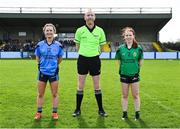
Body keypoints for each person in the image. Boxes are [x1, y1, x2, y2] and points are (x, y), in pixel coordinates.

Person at [72, 9, 108, 117]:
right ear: (85, 17)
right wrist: (84, 53)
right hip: (82, 59)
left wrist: (94, 54)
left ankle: (101, 110)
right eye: (88, 15)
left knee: (97, 86)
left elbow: (102, 47)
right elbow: (77, 46)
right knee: (80, 85)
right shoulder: (80, 30)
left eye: (92, 15)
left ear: (95, 17)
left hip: (95, 60)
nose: (90, 17)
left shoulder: (100, 31)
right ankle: (77, 109)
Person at [34, 23, 64, 120]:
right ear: (44, 32)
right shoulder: (39, 45)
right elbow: (37, 57)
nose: (49, 32)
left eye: (51, 30)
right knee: (40, 94)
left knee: (54, 94)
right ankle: (39, 112)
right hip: (42, 72)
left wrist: (54, 66)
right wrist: (41, 65)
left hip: (53, 73)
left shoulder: (58, 45)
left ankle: (54, 113)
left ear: (54, 32)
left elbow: (60, 58)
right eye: (47, 30)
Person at [115, 27, 143, 120]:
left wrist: (134, 68)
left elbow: (141, 62)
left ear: (133, 36)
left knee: (135, 95)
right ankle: (124, 113)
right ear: (124, 37)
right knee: (124, 95)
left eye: (130, 35)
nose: (128, 37)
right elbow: (118, 61)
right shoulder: (120, 48)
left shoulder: (138, 48)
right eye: (126, 35)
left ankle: (137, 114)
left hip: (134, 75)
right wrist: (124, 69)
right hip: (124, 75)